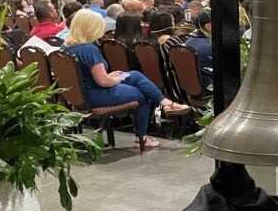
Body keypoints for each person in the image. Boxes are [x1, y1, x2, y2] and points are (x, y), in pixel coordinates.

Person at [64, 11, 189, 148]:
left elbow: (86, 75)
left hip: (81, 95)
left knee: (134, 74)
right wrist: (114, 80)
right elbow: (103, 82)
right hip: (96, 95)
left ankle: (165, 103)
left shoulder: (65, 48)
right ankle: (141, 138)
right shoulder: (89, 49)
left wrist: (110, 76)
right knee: (143, 94)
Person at [184, 11, 213, 88]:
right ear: (208, 27)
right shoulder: (210, 46)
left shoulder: (188, 42)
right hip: (209, 89)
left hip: (191, 88)